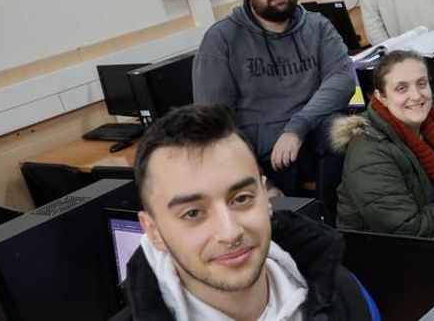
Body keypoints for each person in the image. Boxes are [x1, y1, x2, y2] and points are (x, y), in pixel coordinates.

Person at [114, 104, 373, 320]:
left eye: (241, 199)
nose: (230, 232)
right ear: (154, 231)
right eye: (193, 213)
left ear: (265, 196)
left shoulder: (340, 289)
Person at [193, 0, 354, 215]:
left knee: (343, 132)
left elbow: (343, 78)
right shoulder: (221, 39)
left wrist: (296, 128)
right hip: (256, 157)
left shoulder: (317, 26)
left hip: (307, 138)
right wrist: (257, 182)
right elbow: (214, 123)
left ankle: (328, 224)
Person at [331, 50, 434, 238]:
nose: (416, 96)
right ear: (381, 97)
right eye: (401, 88)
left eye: (421, 84)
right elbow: (408, 229)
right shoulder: (369, 152)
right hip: (393, 256)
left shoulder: (433, 119)